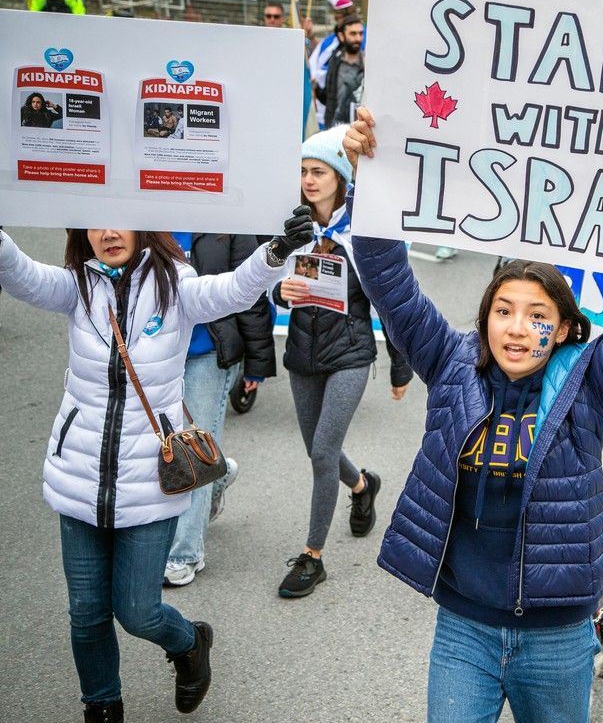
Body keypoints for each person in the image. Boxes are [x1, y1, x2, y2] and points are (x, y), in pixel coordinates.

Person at [343, 106, 603, 722]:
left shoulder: (591, 379)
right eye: (504, 310)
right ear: (485, 317)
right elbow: (389, 280)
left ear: (561, 328)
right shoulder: (451, 362)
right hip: (463, 630)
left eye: (537, 316)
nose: (519, 328)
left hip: (557, 639)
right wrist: (371, 182)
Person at [0, 218, 312, 722]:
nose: (107, 233)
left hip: (151, 482)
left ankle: (191, 643)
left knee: (138, 611)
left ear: (145, 225)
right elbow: (22, 275)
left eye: (119, 220)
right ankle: (101, 707)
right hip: (79, 479)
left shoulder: (176, 283)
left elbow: (232, 290)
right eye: (94, 225)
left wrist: (275, 253)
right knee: (87, 614)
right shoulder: (78, 283)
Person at [273, 126, 412, 599]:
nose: (309, 181)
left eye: (318, 171)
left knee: (320, 452)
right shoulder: (294, 224)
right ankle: (361, 485)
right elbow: (265, 278)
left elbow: (389, 298)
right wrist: (279, 290)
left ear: (339, 175)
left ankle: (312, 557)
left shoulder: (361, 229)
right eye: (303, 172)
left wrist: (399, 365)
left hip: (351, 354)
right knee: (319, 447)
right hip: (302, 353)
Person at [162, 233, 276, 587]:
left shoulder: (224, 222)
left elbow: (250, 289)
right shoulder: (143, 217)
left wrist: (257, 363)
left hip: (206, 352)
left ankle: (184, 554)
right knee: (164, 446)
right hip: (155, 351)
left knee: (192, 449)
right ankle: (220, 472)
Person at [316, 15, 365, 129]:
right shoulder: (334, 61)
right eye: (353, 34)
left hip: (357, 132)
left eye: (360, 33)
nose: (358, 38)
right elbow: (328, 98)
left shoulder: (369, 64)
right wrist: (315, 88)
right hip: (333, 128)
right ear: (341, 36)